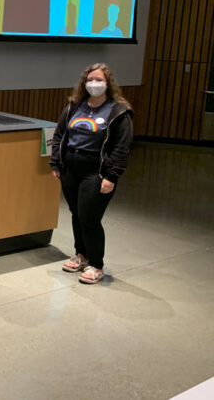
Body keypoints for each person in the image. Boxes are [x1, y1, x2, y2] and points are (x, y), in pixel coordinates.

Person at [49, 63, 133, 284]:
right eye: (90, 80)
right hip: (71, 168)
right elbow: (59, 134)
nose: (93, 84)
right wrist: (56, 162)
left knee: (89, 217)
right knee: (77, 213)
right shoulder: (74, 107)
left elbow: (121, 148)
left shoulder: (118, 112)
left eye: (99, 80)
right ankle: (81, 255)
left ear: (108, 84)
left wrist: (111, 176)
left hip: (96, 171)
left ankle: (96, 264)